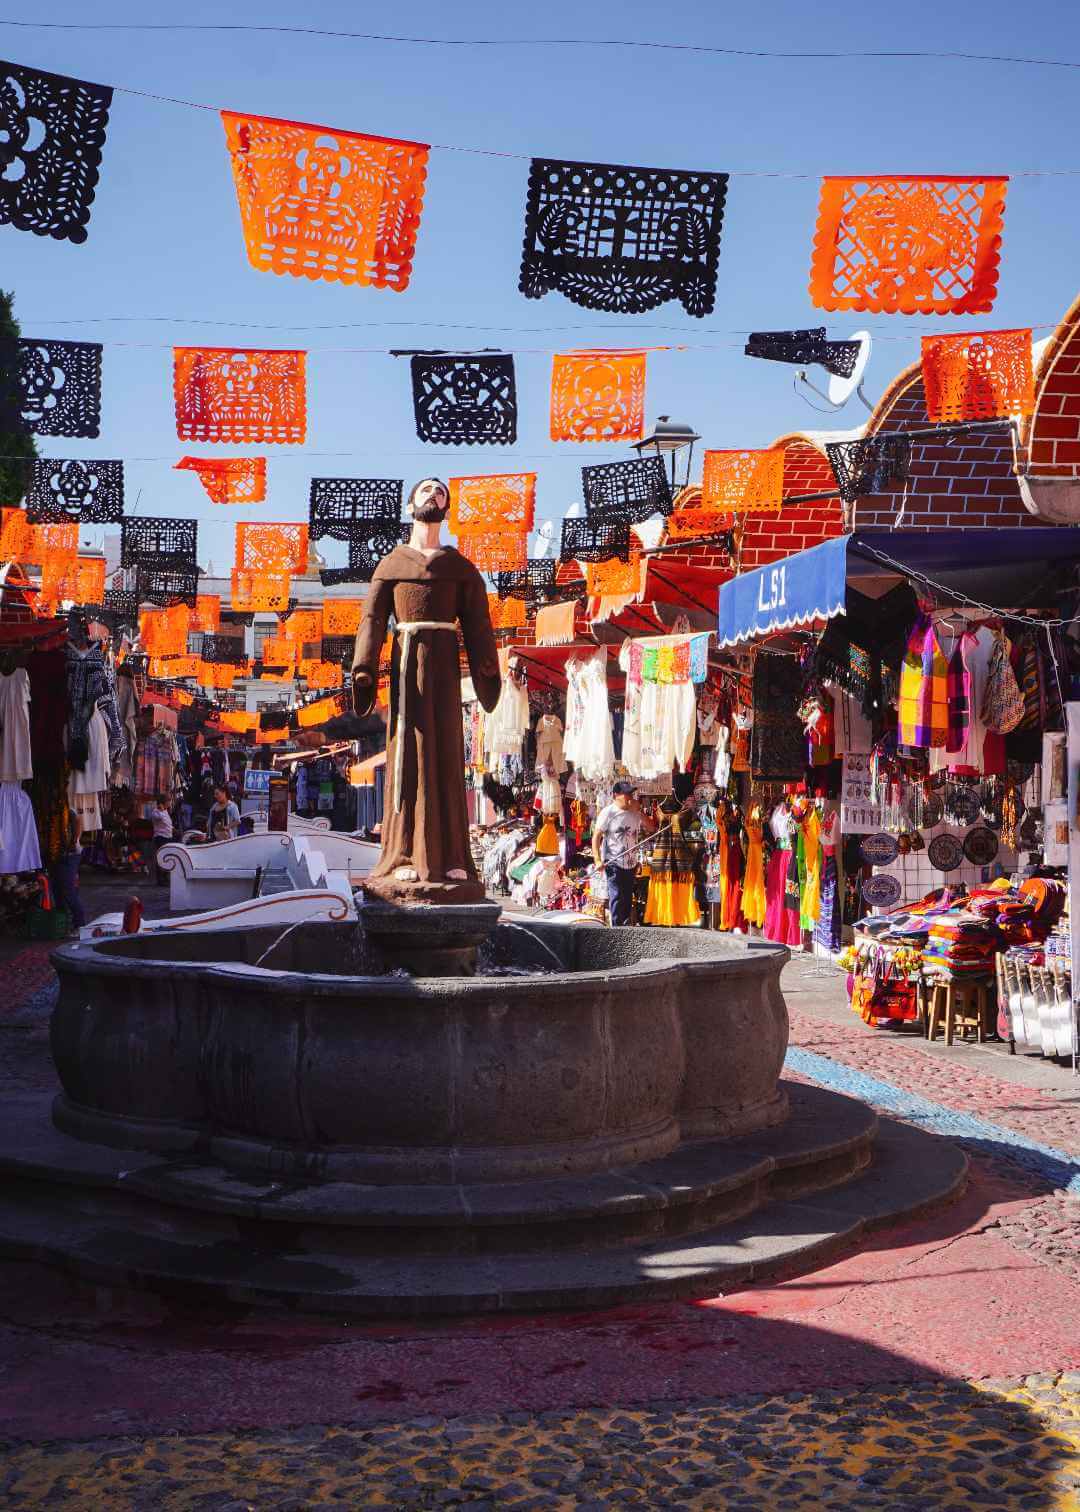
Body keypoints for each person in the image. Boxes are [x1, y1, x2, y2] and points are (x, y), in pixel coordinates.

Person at [351, 477, 501, 905]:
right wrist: (364, 667)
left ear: (446, 508)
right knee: (409, 758)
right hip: (405, 670)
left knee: (447, 756)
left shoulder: (461, 569)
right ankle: (403, 854)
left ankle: (451, 856)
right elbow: (371, 620)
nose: (433, 496)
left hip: (444, 671)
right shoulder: (391, 564)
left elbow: (478, 623)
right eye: (426, 491)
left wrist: (487, 665)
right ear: (410, 505)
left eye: (440, 493)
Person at [592, 781, 644, 927]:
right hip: (613, 861)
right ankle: (616, 928)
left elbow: (651, 827)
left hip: (630, 862)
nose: (629, 797)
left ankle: (624, 928)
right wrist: (597, 859)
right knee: (617, 896)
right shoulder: (608, 812)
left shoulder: (634, 812)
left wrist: (639, 811)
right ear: (616, 795)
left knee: (627, 897)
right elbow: (596, 836)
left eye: (631, 794)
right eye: (626, 794)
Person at [149, 796, 174, 884]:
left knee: (168, 857)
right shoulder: (156, 812)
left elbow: (168, 823)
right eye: (168, 802)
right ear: (163, 803)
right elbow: (158, 818)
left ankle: (166, 877)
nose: (170, 804)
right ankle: (160, 879)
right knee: (161, 857)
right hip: (160, 838)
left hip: (168, 837)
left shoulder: (166, 811)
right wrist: (161, 809)